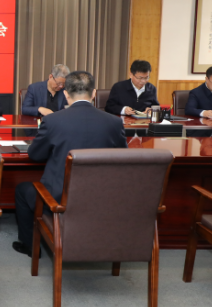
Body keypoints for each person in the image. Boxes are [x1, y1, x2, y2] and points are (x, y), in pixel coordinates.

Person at [12, 71, 127, 258]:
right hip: (101, 197)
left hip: (58, 199)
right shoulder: (114, 122)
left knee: (22, 189)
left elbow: (35, 155)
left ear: (65, 94)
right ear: (94, 93)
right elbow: (122, 158)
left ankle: (30, 246)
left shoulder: (52, 121)